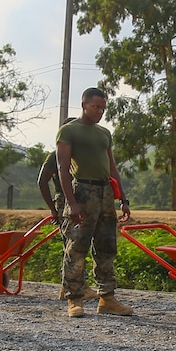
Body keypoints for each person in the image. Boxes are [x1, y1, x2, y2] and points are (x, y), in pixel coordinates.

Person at [55, 87, 133, 318]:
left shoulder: (104, 133)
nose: (99, 112)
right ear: (84, 105)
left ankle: (107, 299)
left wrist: (123, 198)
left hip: (105, 192)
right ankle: (74, 299)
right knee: (77, 247)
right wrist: (72, 203)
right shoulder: (69, 131)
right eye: (95, 107)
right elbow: (62, 169)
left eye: (102, 108)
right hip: (83, 191)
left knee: (107, 246)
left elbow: (112, 167)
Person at [38, 117, 96, 301]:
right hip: (65, 201)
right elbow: (42, 181)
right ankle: (77, 287)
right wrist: (53, 209)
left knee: (74, 246)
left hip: (81, 200)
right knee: (74, 245)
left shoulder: (83, 155)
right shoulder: (56, 156)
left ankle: (68, 287)